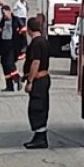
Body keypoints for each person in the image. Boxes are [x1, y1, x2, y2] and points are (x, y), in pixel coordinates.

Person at [22, 16, 51, 149]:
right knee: (41, 107)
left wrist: (30, 81)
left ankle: (40, 138)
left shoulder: (36, 43)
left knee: (36, 108)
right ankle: (39, 136)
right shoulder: (44, 41)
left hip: (38, 80)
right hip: (44, 78)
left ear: (29, 30)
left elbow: (35, 62)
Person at [0, 5, 23, 92]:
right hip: (3, 45)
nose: (3, 15)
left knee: (10, 63)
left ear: (9, 11)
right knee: (4, 64)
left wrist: (23, 48)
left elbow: (22, 35)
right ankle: (9, 86)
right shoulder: (2, 22)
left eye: (4, 13)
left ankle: (17, 78)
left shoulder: (16, 21)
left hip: (12, 45)